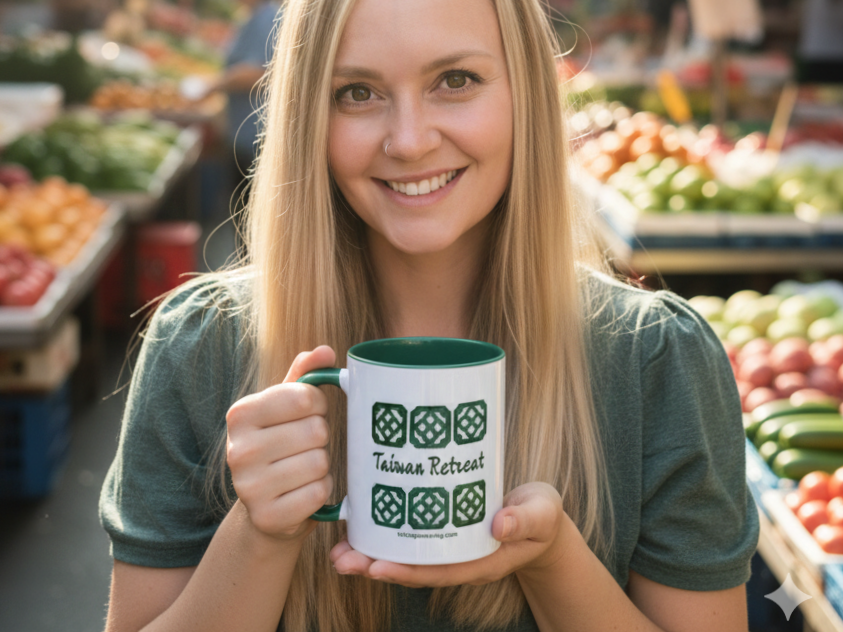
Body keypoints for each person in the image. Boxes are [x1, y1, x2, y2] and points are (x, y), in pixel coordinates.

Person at [99, 0, 759, 630]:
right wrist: (262, 531)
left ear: (526, 92)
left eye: (455, 79)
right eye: (357, 92)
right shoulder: (202, 347)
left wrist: (553, 557)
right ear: (307, 117)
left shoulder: (655, 362)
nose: (409, 141)